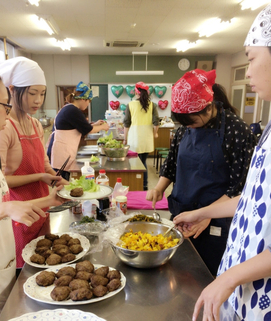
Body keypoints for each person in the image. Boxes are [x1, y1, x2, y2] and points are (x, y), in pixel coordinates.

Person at [173, 4, 271, 320]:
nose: (249, 69)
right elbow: (254, 199)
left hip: (258, 293)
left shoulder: (235, 130)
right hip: (242, 283)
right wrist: (201, 212)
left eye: (252, 58)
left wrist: (228, 277)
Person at [0, 64, 65, 321]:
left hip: (2, 268)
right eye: (4, 105)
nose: (8, 112)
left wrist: (50, 200)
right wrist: (5, 209)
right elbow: (0, 206)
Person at [146, 70, 257, 276]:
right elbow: (171, 164)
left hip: (217, 220)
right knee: (177, 272)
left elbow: (239, 188)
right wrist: (159, 188)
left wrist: (205, 215)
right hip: (183, 212)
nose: (189, 128)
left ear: (208, 108)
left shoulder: (236, 131)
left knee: (206, 275)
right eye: (184, 124)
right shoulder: (184, 129)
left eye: (192, 122)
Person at [0, 56, 68, 269]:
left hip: (41, 207)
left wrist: (55, 178)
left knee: (44, 261)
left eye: (42, 94)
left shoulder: (35, 124)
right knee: (25, 268)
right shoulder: (3, 128)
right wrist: (41, 176)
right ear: (12, 90)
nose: (38, 100)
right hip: (18, 212)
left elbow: (43, 162)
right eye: (32, 93)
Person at [47, 81, 109, 181]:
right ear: (83, 99)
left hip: (61, 152)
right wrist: (103, 127)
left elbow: (81, 126)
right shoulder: (73, 110)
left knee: (63, 183)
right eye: (89, 101)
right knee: (62, 185)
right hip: (61, 154)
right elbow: (89, 130)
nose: (88, 104)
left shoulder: (69, 108)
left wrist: (96, 124)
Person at [123, 82, 160, 191]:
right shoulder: (152, 105)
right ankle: (144, 185)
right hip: (147, 138)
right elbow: (156, 122)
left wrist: (125, 138)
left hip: (134, 137)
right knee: (143, 161)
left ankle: (138, 185)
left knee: (135, 163)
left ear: (136, 92)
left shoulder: (130, 105)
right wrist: (155, 133)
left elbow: (126, 123)